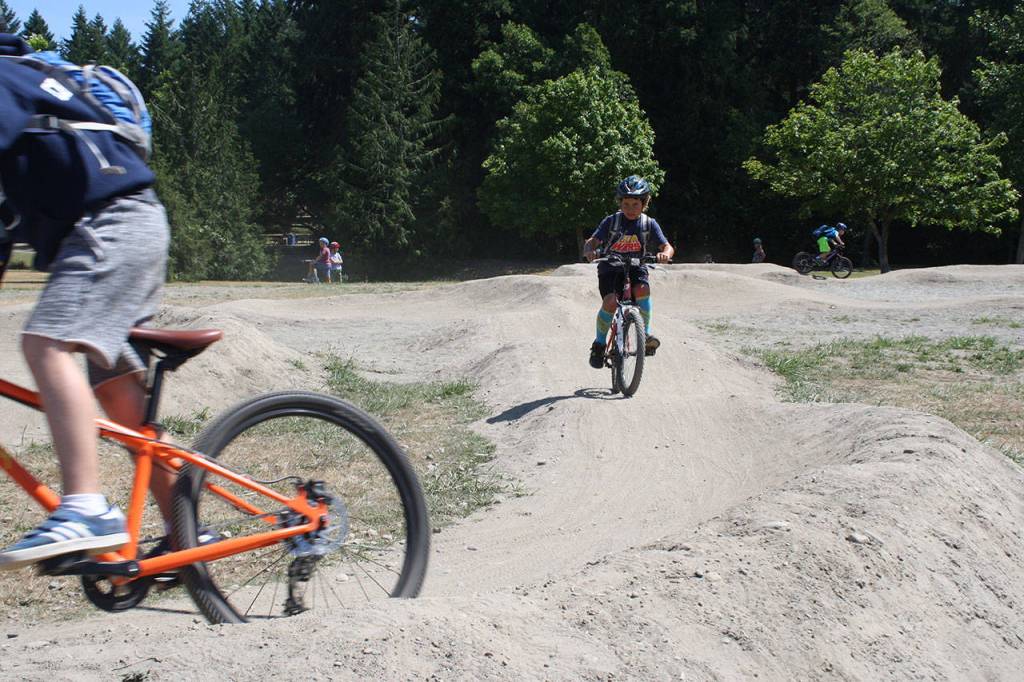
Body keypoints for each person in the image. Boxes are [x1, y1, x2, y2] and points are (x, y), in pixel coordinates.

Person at [0, 34, 175, 569]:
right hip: (126, 228)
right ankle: (189, 526)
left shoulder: (5, 79)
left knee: (45, 344)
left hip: (112, 227)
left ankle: (86, 509)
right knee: (122, 403)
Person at [582, 175, 675, 369]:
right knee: (610, 302)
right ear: (620, 203)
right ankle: (599, 345)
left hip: (636, 265)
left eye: (635, 204)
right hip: (610, 267)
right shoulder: (612, 221)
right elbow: (592, 241)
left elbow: (667, 246)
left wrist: (665, 254)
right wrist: (589, 250)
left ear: (644, 203)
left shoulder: (649, 223)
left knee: (642, 290)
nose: (630, 209)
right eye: (626, 204)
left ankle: (646, 335)